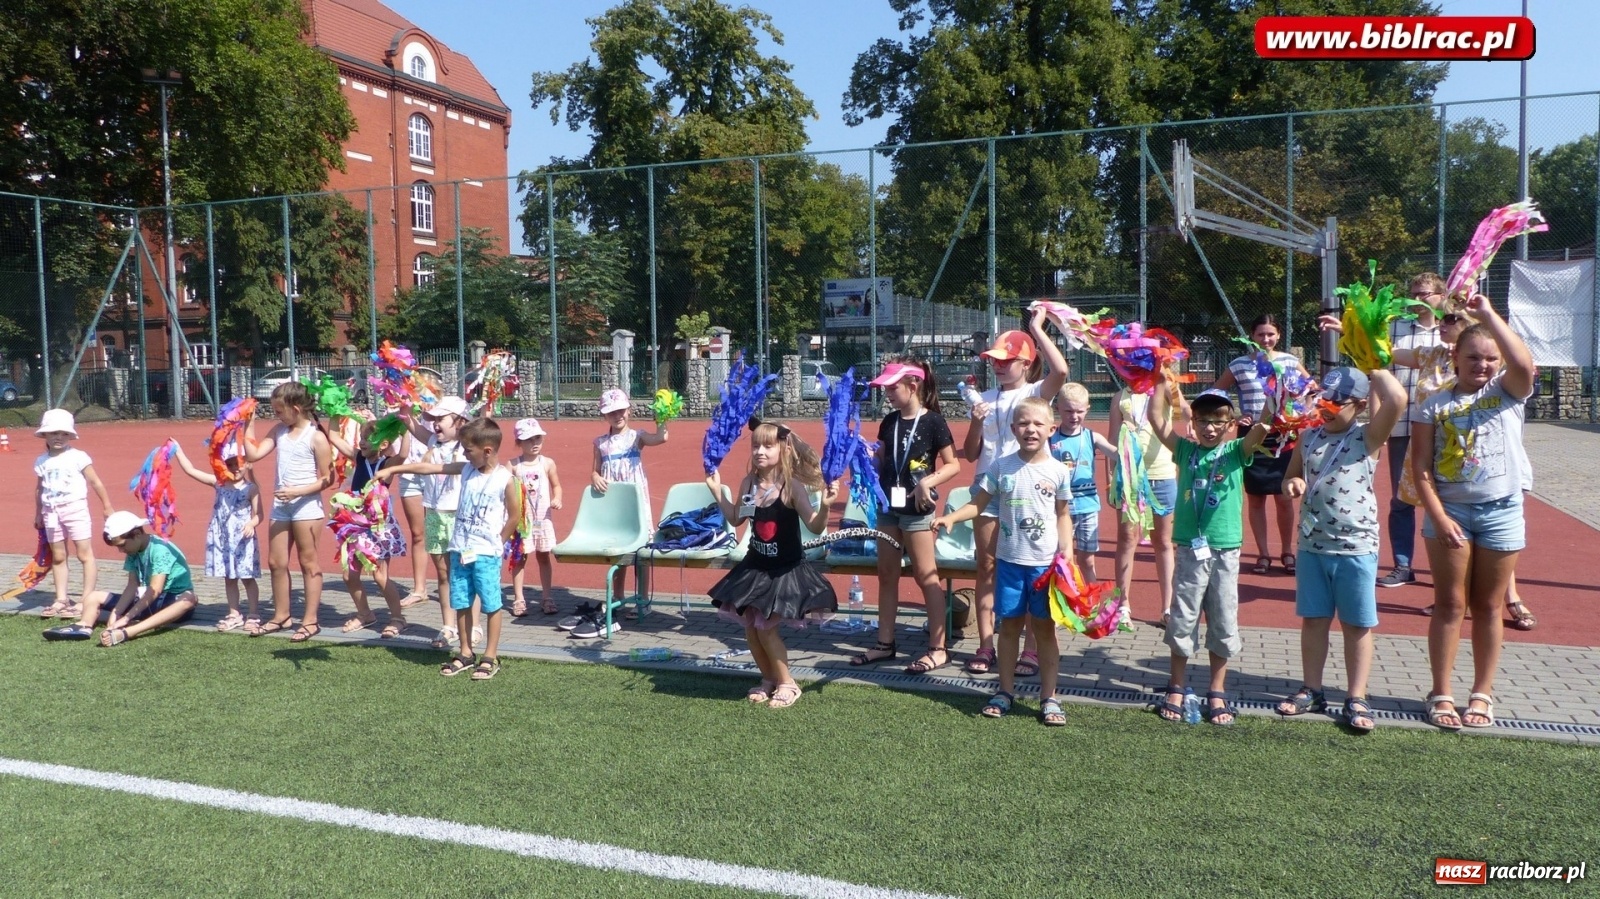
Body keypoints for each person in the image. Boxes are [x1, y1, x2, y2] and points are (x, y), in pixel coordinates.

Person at [1322, 308, 1536, 629]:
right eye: (1443, 318)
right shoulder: (1430, 355)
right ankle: (1439, 589)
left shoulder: (1493, 378)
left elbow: (1517, 364)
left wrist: (1488, 318)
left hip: (1490, 472)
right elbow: (1385, 353)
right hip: (1441, 458)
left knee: (1495, 541)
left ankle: (1511, 595)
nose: (1443, 324)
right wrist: (1352, 334)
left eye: (1451, 319)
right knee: (1430, 522)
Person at [1412, 294, 1535, 730]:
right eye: (1473, 357)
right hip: (1451, 514)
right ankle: (1441, 691)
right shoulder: (1433, 404)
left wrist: (1487, 316)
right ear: (1456, 357)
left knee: (1487, 605)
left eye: (1489, 359)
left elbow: (1524, 364)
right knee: (1449, 604)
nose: (1481, 365)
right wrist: (1440, 518)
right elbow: (1420, 469)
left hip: (1501, 511)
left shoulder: (1508, 392)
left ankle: (1482, 693)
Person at [1274, 367, 1406, 733]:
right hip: (1312, 547)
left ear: (1361, 405)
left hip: (1355, 549)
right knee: (1314, 620)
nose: (1326, 407)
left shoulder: (1367, 438)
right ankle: (1311, 689)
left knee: (1357, 625)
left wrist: (1375, 366)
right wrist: (1293, 483)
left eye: (1337, 401)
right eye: (1322, 399)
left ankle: (1356, 695)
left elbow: (1397, 400)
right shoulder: (1308, 437)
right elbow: (1290, 477)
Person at [935, 396, 1073, 726]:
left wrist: (1067, 550)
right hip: (1009, 563)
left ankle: (1049, 697)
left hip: (1043, 567)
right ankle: (1005, 691)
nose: (1031, 429)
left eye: (1039, 424)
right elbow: (978, 503)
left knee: (1044, 630)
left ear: (1051, 429)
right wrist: (952, 518)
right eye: (1023, 423)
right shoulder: (1001, 466)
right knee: (1009, 627)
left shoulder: (1058, 471)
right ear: (1013, 429)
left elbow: (1064, 515)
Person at [1149, 385, 1270, 725]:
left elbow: (1262, 427)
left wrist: (1276, 393)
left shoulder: (1235, 451)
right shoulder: (1185, 450)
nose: (1209, 427)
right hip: (1190, 548)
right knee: (1183, 617)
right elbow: (1156, 419)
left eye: (1218, 421)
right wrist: (1159, 380)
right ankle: (1176, 686)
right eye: (1202, 419)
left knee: (1223, 619)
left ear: (1231, 423)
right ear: (1193, 420)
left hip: (1225, 550)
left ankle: (1216, 690)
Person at [959, 309, 1069, 675]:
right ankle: (987, 644)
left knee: (1034, 568)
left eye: (1008, 360)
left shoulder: (1036, 393)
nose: (999, 366)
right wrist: (975, 422)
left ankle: (1031, 649)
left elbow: (1063, 372)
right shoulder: (984, 398)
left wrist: (1037, 328)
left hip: (1030, 489)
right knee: (987, 567)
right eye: (994, 360)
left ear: (1026, 362)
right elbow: (972, 453)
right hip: (990, 487)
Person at [705, 422, 839, 708]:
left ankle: (788, 683)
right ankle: (768, 679)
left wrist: (826, 505)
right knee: (751, 629)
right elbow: (737, 519)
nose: (760, 452)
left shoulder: (791, 487)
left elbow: (815, 527)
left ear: (784, 449)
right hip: (755, 567)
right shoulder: (749, 484)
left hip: (784, 571)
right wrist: (718, 492)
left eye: (768, 446)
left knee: (766, 628)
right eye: (755, 446)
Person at [380, 417, 522, 680]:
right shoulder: (467, 469)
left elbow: (514, 515)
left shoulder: (505, 479)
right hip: (460, 550)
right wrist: (394, 470)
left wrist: (498, 541)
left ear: (487, 450)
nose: (465, 454)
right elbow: (433, 468)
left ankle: (490, 656)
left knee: (491, 605)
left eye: (468, 450)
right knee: (461, 602)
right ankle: (465, 652)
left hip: (486, 553)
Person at [850, 357, 961, 674]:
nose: (886, 392)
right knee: (887, 575)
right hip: (888, 509)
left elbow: (953, 465)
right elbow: (882, 461)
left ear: (913, 386)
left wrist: (928, 481)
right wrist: (866, 457)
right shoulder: (889, 421)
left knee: (927, 576)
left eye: (892, 387)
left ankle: (938, 649)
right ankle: (885, 644)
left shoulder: (934, 422)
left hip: (917, 511)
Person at [1212, 314, 1309, 575]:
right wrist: (1233, 415)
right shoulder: (1240, 365)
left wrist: (1299, 413)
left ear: (1278, 335)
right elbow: (1215, 393)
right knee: (1255, 498)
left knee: (1283, 496)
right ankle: (1263, 554)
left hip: (1283, 436)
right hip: (1252, 435)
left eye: (1270, 334)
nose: (1265, 339)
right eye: (1260, 334)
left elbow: (1310, 389)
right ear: (1252, 336)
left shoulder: (1290, 361)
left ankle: (1287, 551)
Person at [244, 381, 332, 642]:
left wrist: (299, 491)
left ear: (296, 408)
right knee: (276, 563)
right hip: (281, 507)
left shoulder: (316, 436)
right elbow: (254, 453)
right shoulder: (279, 430)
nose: (277, 416)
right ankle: (281, 615)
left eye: (280, 411)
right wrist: (248, 423)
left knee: (308, 563)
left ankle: (310, 621)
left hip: (306, 507)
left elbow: (327, 479)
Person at [1378, 273, 1446, 588]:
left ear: (1441, 295)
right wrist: (1379, 425)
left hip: (1444, 430)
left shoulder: (1453, 330)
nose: (1418, 299)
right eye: (1414, 293)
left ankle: (1447, 572)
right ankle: (1402, 565)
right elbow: (1377, 372)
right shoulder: (1394, 328)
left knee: (1447, 499)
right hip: (1402, 425)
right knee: (1401, 499)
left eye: (1426, 294)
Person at [42, 511, 197, 645]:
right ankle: (83, 626)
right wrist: (116, 614)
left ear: (137, 534)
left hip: (169, 601)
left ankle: (129, 632)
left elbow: (155, 590)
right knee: (93, 596)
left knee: (190, 599)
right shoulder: (133, 550)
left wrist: (126, 617)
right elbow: (132, 586)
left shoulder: (160, 549)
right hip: (146, 601)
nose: (120, 550)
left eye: (122, 545)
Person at [591, 387, 669, 630]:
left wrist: (663, 419)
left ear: (629, 410)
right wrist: (594, 476)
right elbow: (594, 469)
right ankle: (617, 597)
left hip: (635, 502)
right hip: (614, 504)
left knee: (641, 555)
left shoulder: (638, 436)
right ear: (605, 416)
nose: (618, 415)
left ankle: (643, 599)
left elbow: (661, 438)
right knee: (618, 553)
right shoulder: (600, 443)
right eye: (612, 412)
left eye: (621, 410)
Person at [1107, 383, 1184, 628]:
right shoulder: (1120, 398)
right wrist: (1112, 479)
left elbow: (1188, 412)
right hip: (1130, 478)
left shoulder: (1168, 391)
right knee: (1127, 540)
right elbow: (1111, 440)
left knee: (1163, 542)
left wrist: (1166, 379)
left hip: (1163, 475)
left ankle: (1167, 608)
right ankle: (1123, 605)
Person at [169, 438, 263, 633]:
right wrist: (177, 450)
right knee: (229, 577)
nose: (235, 469)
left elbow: (259, 514)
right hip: (223, 538)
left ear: (247, 464)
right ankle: (234, 613)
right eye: (230, 465)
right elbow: (191, 471)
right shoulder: (219, 484)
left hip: (242, 540)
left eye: (239, 464)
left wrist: (251, 524)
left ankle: (253, 613)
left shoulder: (251, 488)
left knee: (247, 577)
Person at [327, 416, 409, 638]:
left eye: (368, 439)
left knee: (380, 576)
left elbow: (403, 455)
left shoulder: (386, 464)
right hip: (355, 525)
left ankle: (397, 618)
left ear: (383, 444)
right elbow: (334, 436)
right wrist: (335, 414)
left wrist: (405, 427)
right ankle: (365, 614)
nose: (362, 442)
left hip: (377, 528)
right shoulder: (358, 458)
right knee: (349, 576)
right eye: (361, 437)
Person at [401, 395, 470, 650]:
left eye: (441, 419)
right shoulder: (431, 440)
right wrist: (405, 411)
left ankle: (472, 626)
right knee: (443, 574)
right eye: (433, 420)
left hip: (459, 515)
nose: (435, 425)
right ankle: (448, 626)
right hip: (434, 513)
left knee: (463, 573)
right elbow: (414, 426)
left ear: (460, 421)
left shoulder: (467, 446)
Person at [32, 408, 115, 619]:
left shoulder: (78, 457)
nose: (58, 437)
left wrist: (106, 505)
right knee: (58, 556)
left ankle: (87, 598)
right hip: (51, 511)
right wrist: (39, 513)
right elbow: (39, 489)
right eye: (53, 433)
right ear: (44, 435)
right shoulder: (42, 461)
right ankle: (61, 598)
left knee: (84, 554)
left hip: (75, 508)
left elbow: (95, 482)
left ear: (70, 435)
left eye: (63, 433)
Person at [1048, 382, 1117, 585]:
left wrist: (1129, 443)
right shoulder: (1050, 438)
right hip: (1060, 509)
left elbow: (1115, 453)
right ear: (1057, 408)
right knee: (1062, 557)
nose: (1074, 416)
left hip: (1088, 507)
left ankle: (1091, 602)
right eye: (1068, 411)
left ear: (1087, 409)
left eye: (1079, 411)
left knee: (1087, 560)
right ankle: (1063, 602)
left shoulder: (1091, 437)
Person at [508, 418, 562, 617]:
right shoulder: (513, 465)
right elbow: (506, 491)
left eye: (538, 437)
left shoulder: (547, 463)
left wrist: (557, 498)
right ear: (519, 442)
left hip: (543, 519)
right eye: (529, 439)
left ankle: (547, 596)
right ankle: (519, 598)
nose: (535, 443)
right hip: (522, 521)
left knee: (544, 557)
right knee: (520, 558)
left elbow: (556, 485)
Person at [393, 423, 432, 607]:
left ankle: (450, 583)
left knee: (443, 533)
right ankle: (419, 589)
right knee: (418, 534)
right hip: (409, 474)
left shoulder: (435, 407)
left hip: (435, 472)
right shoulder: (395, 407)